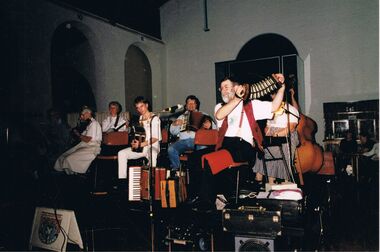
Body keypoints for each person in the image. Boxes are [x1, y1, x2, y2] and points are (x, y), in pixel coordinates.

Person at [192, 74, 286, 210]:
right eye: (221, 88)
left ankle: (205, 204)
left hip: (243, 147)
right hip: (225, 145)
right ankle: (198, 195)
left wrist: (281, 88)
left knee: (210, 160)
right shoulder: (219, 106)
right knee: (195, 158)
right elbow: (219, 115)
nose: (223, 90)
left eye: (226, 87)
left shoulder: (251, 105)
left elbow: (274, 106)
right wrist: (237, 98)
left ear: (236, 87)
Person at [252, 88, 300, 187]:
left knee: (278, 153)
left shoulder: (290, 109)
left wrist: (276, 135)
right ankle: (265, 182)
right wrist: (269, 133)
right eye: (272, 96)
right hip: (273, 135)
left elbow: (291, 127)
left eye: (275, 95)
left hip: (286, 136)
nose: (273, 98)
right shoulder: (272, 110)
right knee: (263, 152)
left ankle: (283, 182)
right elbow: (267, 127)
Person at [118, 96, 161, 179]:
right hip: (141, 147)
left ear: (147, 105)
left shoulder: (155, 119)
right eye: (137, 108)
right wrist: (134, 142)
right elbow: (139, 134)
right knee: (121, 153)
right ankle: (122, 181)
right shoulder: (140, 118)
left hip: (152, 146)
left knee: (153, 155)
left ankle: (152, 181)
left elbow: (155, 138)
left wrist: (140, 144)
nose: (140, 109)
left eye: (142, 106)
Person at [54, 106, 102, 175]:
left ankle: (73, 175)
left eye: (83, 115)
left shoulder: (94, 124)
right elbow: (83, 137)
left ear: (88, 114)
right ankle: (69, 173)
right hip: (85, 145)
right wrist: (77, 134)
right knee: (64, 156)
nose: (82, 116)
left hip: (91, 147)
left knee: (69, 158)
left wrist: (78, 135)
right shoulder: (90, 124)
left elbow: (88, 139)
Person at [168, 95, 202, 172]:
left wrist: (208, 126)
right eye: (189, 103)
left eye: (193, 103)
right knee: (171, 149)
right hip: (182, 141)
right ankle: (176, 170)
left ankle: (200, 170)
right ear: (186, 106)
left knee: (203, 148)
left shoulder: (203, 116)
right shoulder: (181, 117)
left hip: (197, 141)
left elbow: (213, 128)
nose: (191, 105)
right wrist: (174, 124)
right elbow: (173, 132)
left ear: (196, 105)